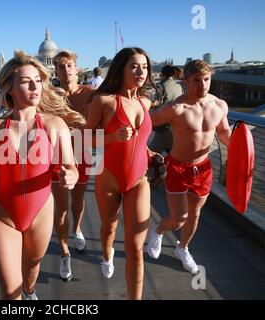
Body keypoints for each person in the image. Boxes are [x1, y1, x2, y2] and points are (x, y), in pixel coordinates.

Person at [0, 51, 83, 300]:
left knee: (31, 267)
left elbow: (72, 168)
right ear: (9, 88)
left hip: (40, 212)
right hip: (2, 213)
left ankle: (30, 291)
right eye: (25, 81)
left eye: (38, 80)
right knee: (10, 292)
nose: (34, 86)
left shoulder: (54, 125)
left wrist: (70, 177)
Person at [147, 60, 231, 274]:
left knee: (194, 215)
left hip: (203, 169)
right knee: (178, 219)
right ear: (186, 82)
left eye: (206, 80)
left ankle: (182, 249)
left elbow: (222, 133)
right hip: (177, 168)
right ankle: (157, 230)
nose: (202, 85)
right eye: (196, 81)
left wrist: (241, 149)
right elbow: (146, 120)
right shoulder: (176, 108)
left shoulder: (219, 105)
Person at [85, 47, 155, 299]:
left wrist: (148, 152)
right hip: (109, 178)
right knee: (109, 226)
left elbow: (141, 139)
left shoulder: (146, 102)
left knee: (136, 248)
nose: (141, 72)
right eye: (134, 66)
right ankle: (106, 254)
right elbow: (85, 139)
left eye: (145, 67)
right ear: (121, 69)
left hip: (139, 181)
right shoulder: (103, 101)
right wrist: (113, 136)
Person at [52, 50, 95, 281]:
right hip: (57, 154)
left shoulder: (91, 93)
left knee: (78, 200)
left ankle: (76, 229)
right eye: (60, 66)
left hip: (82, 151)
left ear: (77, 68)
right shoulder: (50, 95)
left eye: (69, 65)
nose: (66, 70)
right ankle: (64, 251)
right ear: (55, 71)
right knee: (61, 207)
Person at [148, 65, 184, 155]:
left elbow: (155, 105)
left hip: (163, 125)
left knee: (150, 155)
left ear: (162, 74)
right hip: (175, 125)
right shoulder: (179, 86)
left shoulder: (160, 87)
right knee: (173, 152)